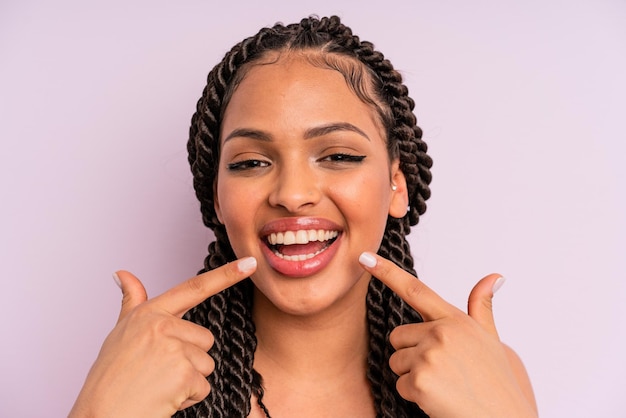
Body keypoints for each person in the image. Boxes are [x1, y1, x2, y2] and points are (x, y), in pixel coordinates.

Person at [69, 15, 537, 418]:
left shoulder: (486, 377)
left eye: (337, 155)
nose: (293, 195)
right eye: (251, 163)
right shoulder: (143, 382)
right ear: (216, 197)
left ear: (398, 185)